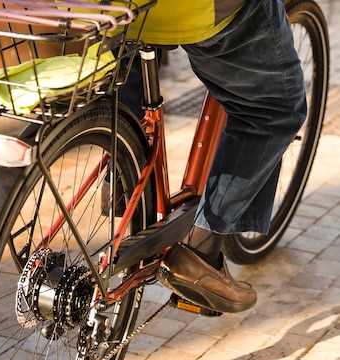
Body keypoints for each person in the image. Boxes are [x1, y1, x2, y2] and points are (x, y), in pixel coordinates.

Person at [118, 0, 307, 313]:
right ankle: (200, 253)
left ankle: (122, 175)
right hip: (194, 8)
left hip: (105, 9)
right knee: (272, 110)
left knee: (130, 43)